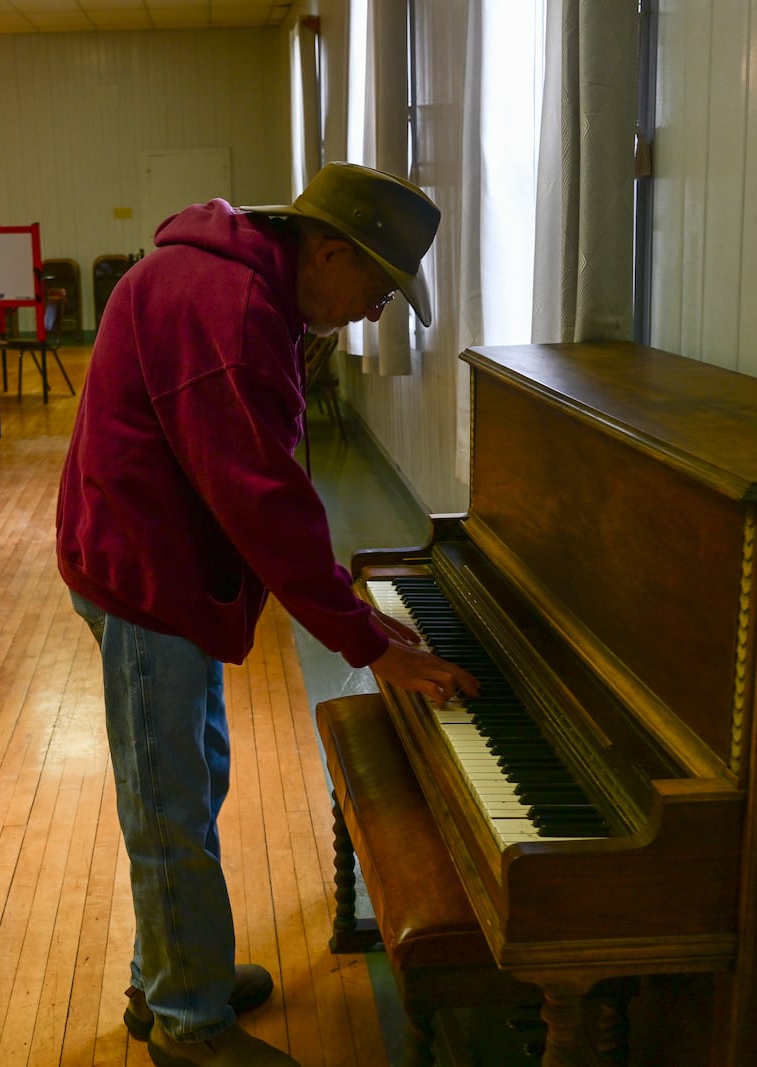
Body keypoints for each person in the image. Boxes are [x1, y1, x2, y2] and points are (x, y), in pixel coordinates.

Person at [56, 162, 481, 1067]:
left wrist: (350, 614)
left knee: (192, 774)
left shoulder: (242, 284)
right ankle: (187, 1025)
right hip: (144, 574)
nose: (375, 313)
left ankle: (167, 973)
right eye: (378, 289)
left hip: (161, 559)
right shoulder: (233, 310)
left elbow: (258, 489)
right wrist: (364, 637)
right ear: (328, 251)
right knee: (169, 804)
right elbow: (263, 499)